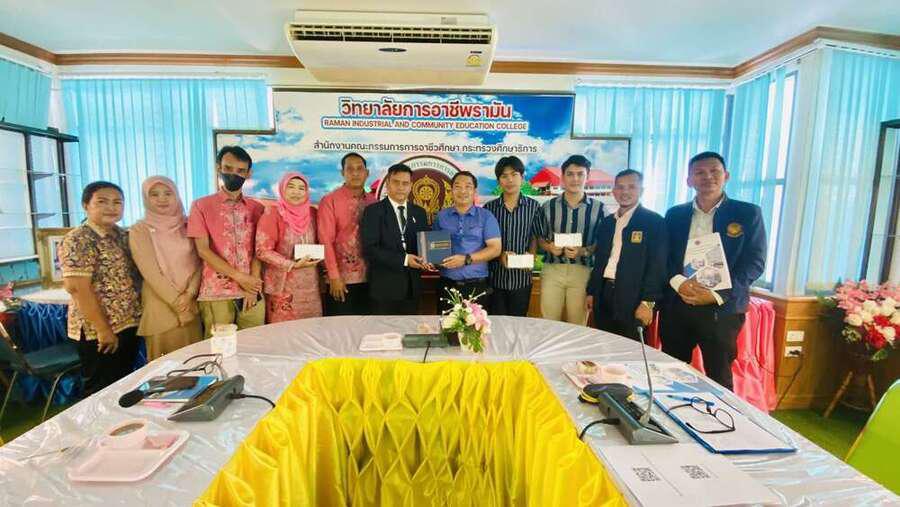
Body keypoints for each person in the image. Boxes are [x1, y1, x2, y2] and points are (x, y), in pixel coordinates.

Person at [661, 151, 766, 391]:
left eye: (714, 171)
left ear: (726, 175)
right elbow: (664, 257)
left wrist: (718, 293)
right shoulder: (675, 215)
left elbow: (755, 262)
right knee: (670, 372)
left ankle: (720, 415)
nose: (707, 177)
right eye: (699, 172)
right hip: (678, 304)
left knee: (719, 377)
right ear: (689, 180)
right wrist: (679, 283)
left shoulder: (748, 213)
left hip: (722, 309)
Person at [60, 181, 141, 395]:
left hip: (127, 322)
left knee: (123, 383)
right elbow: (78, 289)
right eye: (102, 202)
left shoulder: (122, 235)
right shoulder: (79, 239)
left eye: (117, 202)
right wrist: (103, 329)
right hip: (98, 330)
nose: (111, 207)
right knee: (101, 389)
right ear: (86, 205)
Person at [187, 146, 265, 337]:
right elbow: (203, 250)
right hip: (216, 292)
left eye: (240, 170)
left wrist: (252, 285)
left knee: (254, 344)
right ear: (218, 168)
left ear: (248, 173)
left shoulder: (257, 208)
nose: (234, 174)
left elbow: (260, 250)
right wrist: (240, 278)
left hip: (251, 290)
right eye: (228, 168)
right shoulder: (201, 206)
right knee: (220, 348)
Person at [585, 170, 666, 340]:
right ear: (614, 191)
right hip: (604, 293)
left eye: (631, 187)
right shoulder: (607, 223)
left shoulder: (654, 222)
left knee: (631, 347)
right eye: (620, 187)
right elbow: (600, 261)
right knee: (604, 344)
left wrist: (648, 302)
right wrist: (592, 292)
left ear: (641, 190)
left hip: (634, 297)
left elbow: (657, 266)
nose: (625, 192)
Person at [129, 176, 202, 360]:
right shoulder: (140, 230)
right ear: (146, 198)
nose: (162, 198)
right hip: (161, 306)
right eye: (154, 194)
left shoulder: (189, 224)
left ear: (176, 195)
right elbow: (151, 273)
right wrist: (179, 306)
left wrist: (190, 294)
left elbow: (200, 262)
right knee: (165, 367)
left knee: (196, 363)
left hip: (192, 303)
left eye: (168, 193)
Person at [537, 155, 605, 325]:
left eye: (580, 174)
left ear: (587, 176)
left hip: (582, 272)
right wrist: (550, 247)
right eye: (570, 174)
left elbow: (603, 243)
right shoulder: (548, 207)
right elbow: (540, 239)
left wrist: (584, 251)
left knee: (578, 324)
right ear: (563, 177)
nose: (575, 179)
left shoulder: (599, 209)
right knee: (548, 323)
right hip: (553, 270)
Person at [361, 163, 430, 315]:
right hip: (384, 289)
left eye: (405, 183)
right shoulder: (373, 212)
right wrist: (405, 260)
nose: (400, 187)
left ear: (411, 186)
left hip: (412, 288)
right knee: (383, 329)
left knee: (409, 329)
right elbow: (370, 249)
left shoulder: (419, 213)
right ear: (387, 184)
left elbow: (425, 245)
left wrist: (430, 258)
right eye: (396, 182)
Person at [255, 172, 323, 322]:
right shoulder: (272, 214)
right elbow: (262, 250)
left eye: (301, 188)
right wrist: (291, 264)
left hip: (310, 285)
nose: (296, 192)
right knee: (284, 330)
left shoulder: (313, 213)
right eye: (291, 187)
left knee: (311, 328)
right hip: (283, 285)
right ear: (282, 189)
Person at [484, 156, 546, 316]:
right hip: (495, 279)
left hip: (522, 279)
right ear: (498, 181)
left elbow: (535, 236)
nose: (509, 180)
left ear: (522, 178)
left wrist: (531, 256)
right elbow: (483, 242)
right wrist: (500, 255)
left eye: (514, 174)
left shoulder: (534, 207)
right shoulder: (489, 209)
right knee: (496, 323)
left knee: (518, 324)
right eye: (504, 176)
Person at [433, 171, 502, 314]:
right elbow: (434, 250)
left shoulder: (486, 216)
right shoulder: (441, 216)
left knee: (475, 327)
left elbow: (495, 249)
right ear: (451, 190)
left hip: (476, 286)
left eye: (468, 186)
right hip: (447, 286)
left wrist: (466, 259)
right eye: (457, 186)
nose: (462, 191)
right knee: (447, 327)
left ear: (475, 191)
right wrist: (432, 260)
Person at [317, 152, 377, 315]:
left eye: (359, 168)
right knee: (340, 326)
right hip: (341, 280)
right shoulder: (330, 201)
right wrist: (334, 276)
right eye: (350, 169)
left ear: (367, 173)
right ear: (342, 173)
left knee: (367, 326)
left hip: (370, 279)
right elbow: (325, 240)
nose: (355, 173)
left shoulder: (373, 202)